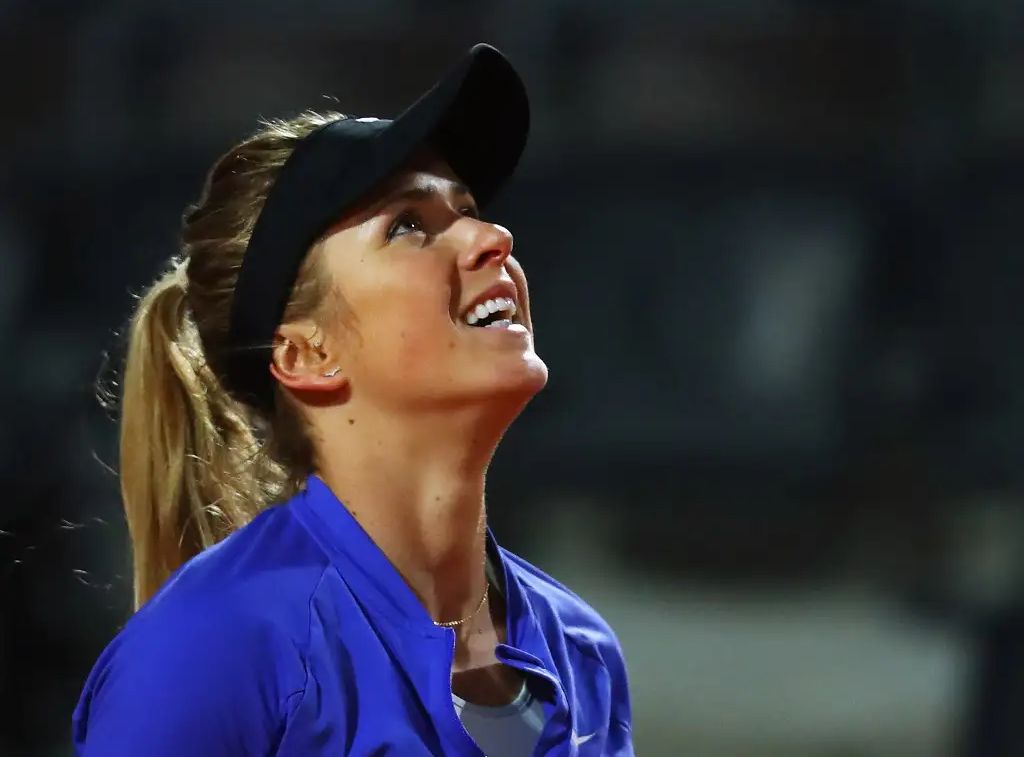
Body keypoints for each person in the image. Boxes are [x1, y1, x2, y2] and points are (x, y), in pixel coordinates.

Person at [71, 43, 634, 756]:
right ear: (306, 355)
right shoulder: (212, 651)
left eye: (469, 209)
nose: (494, 236)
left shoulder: (582, 650)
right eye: (408, 226)